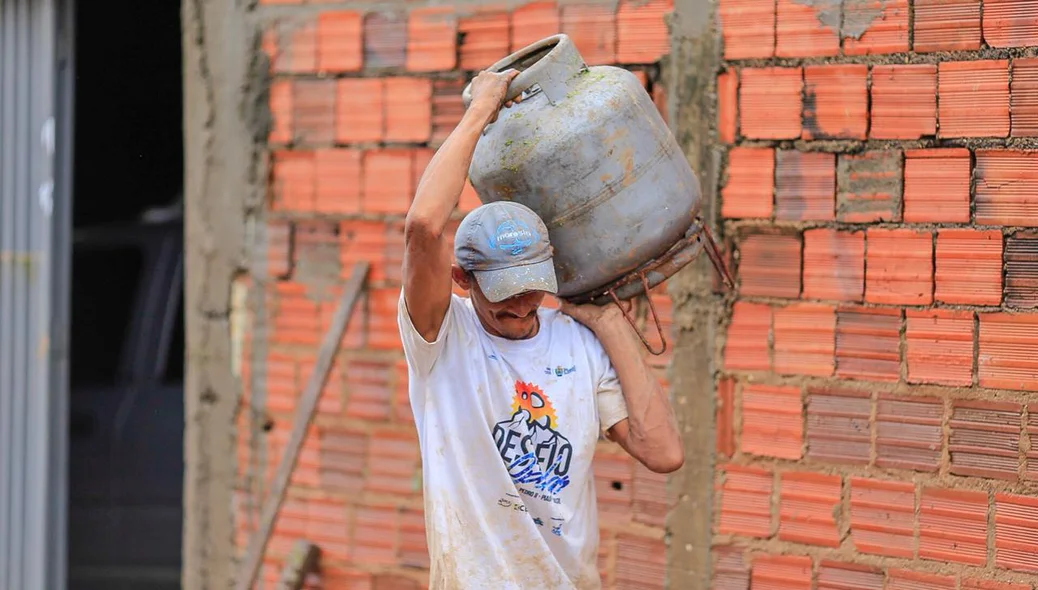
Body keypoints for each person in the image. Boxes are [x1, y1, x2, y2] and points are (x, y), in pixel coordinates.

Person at [397, 68, 685, 590]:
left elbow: (663, 453)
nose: (524, 303)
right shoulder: (442, 340)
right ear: (463, 279)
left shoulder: (576, 341)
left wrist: (609, 324)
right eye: (505, 289)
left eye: (534, 283)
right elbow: (423, 226)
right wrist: (481, 109)